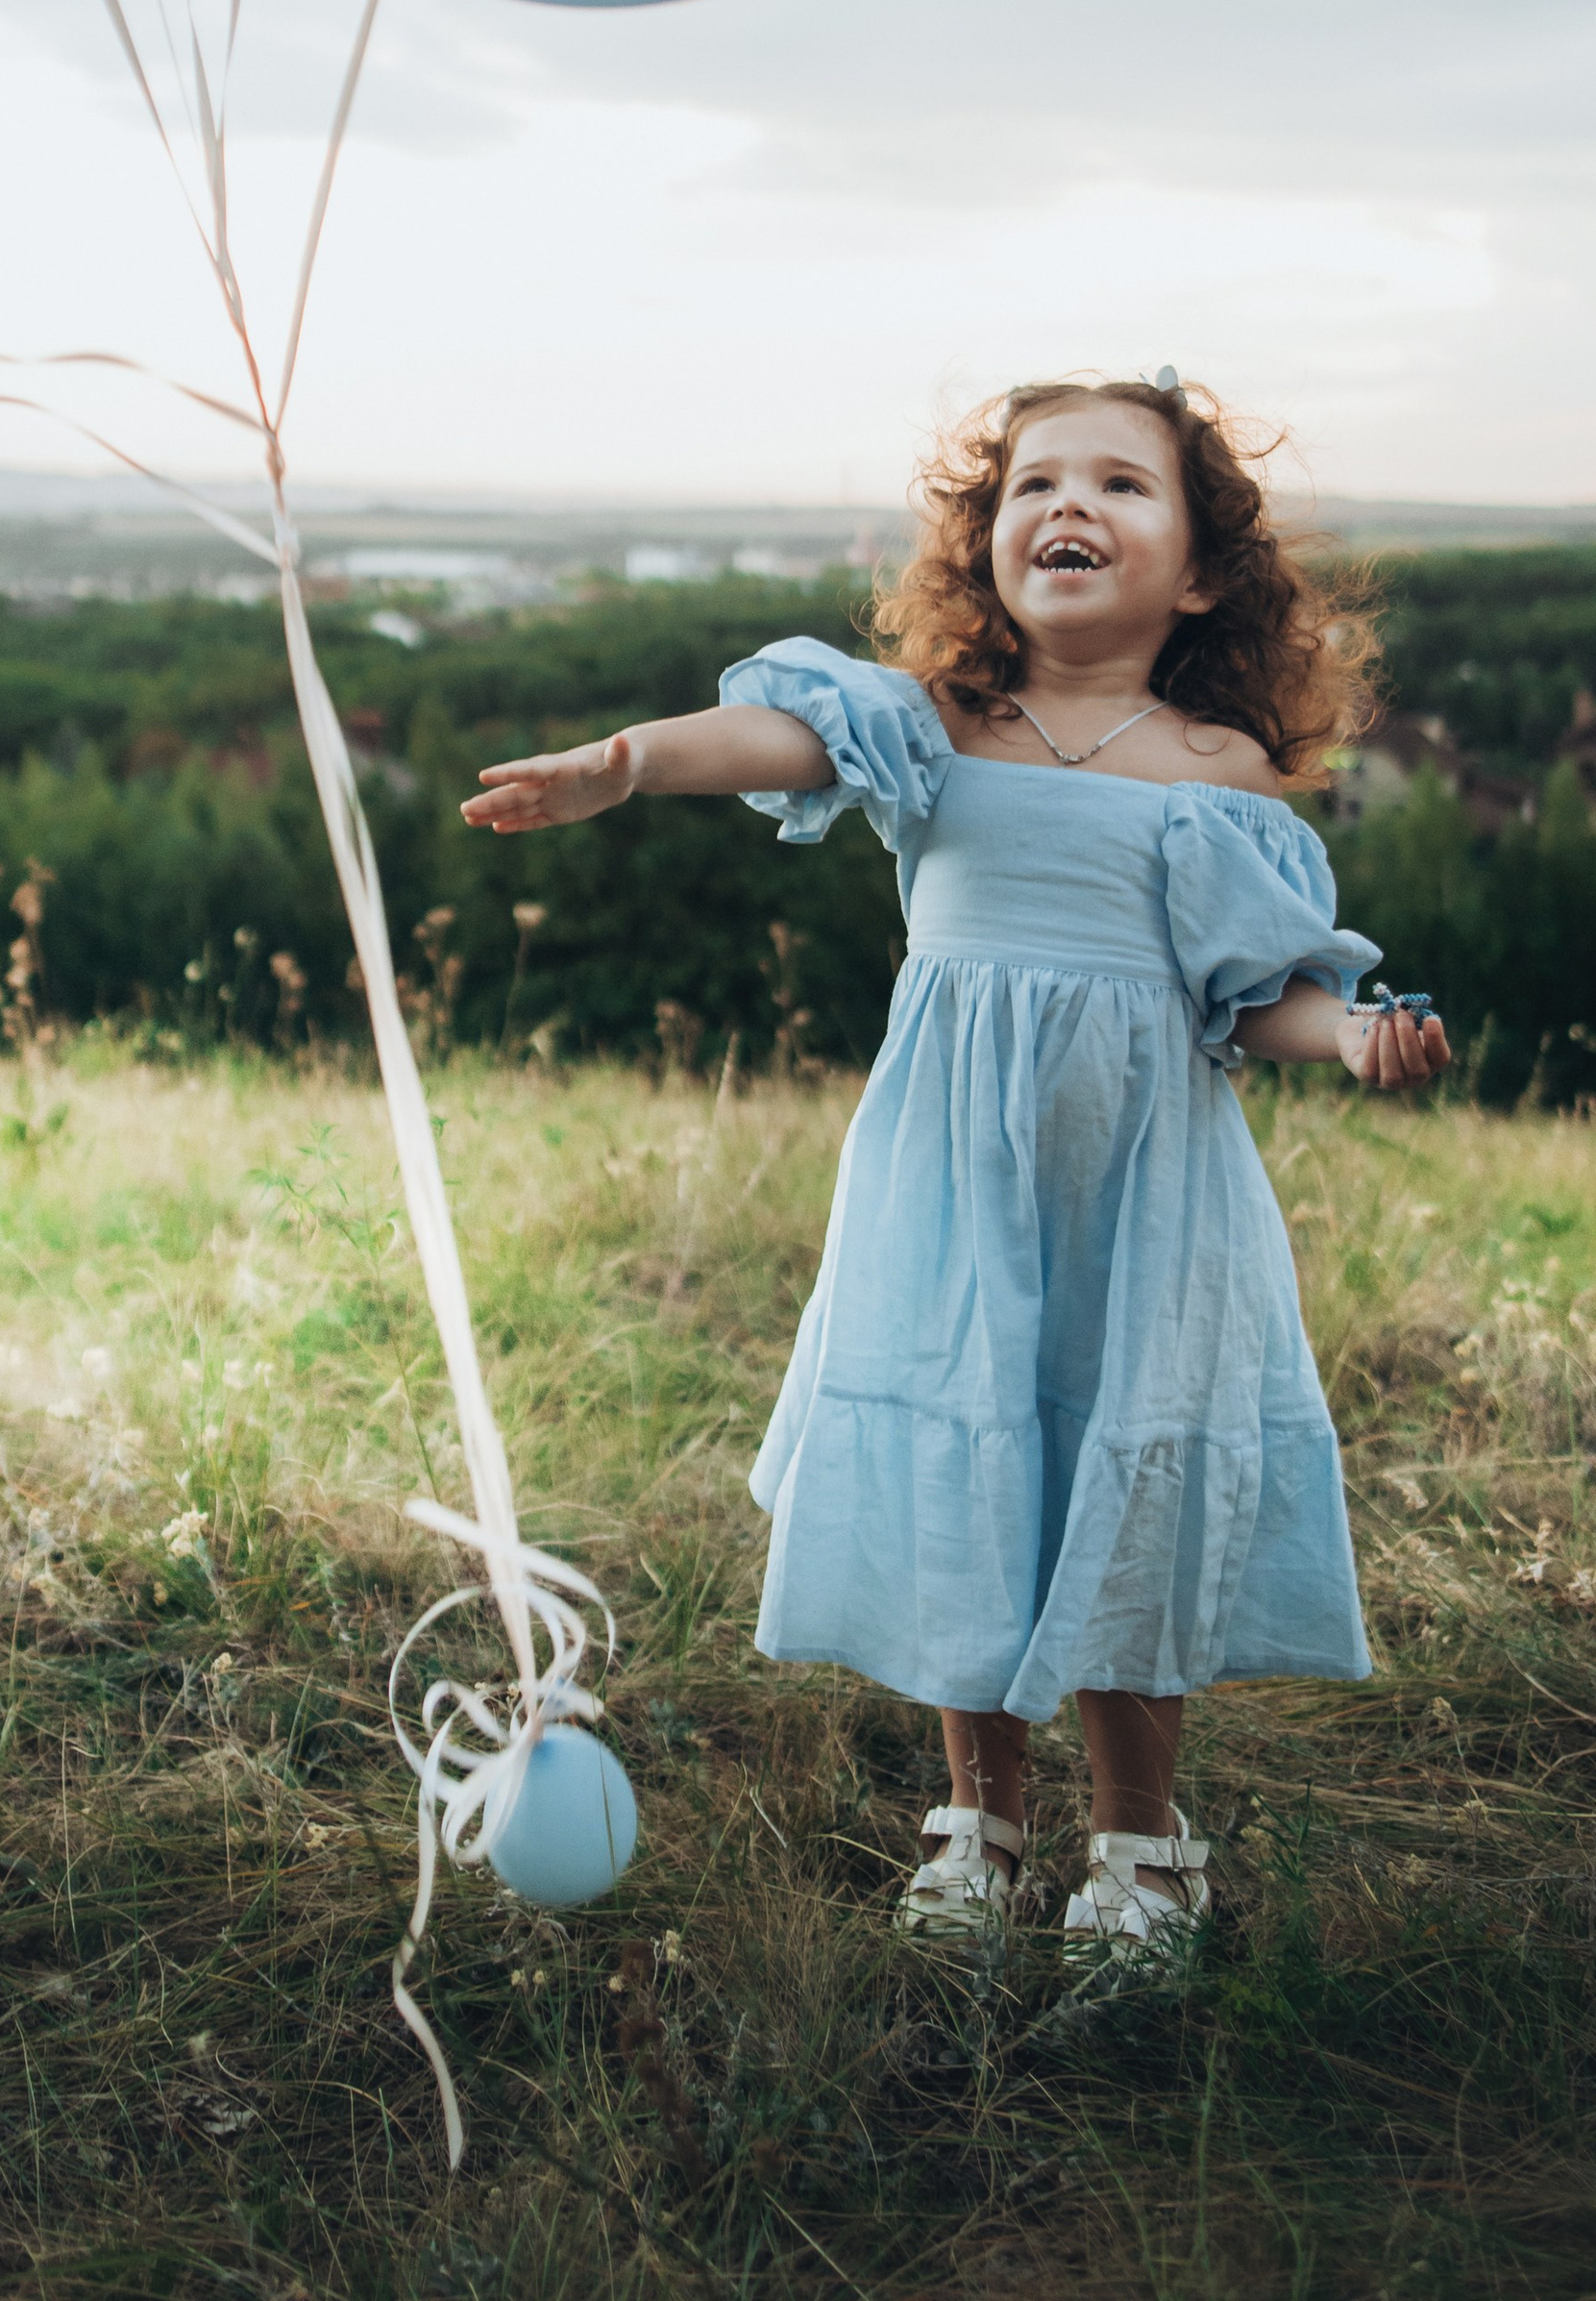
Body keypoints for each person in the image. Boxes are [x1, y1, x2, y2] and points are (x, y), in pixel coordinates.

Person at [461, 373, 1446, 1973]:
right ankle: (980, 1827)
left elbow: (1252, 992)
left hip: (1141, 1195)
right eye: (1034, 484)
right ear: (987, 541)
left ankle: (1139, 1851)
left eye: (1120, 483)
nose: (1069, 506)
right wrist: (630, 761)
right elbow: (778, 735)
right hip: (951, 1183)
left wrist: (1347, 1034)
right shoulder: (934, 724)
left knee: (1122, 1479)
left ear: (1201, 570)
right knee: (971, 1479)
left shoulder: (1218, 765)